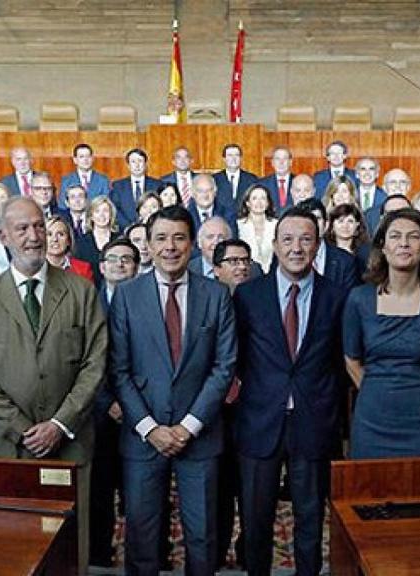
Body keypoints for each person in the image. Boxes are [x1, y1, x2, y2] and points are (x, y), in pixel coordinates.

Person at [0, 196, 108, 572]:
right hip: (12, 445)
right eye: (22, 228)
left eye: (39, 226)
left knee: (72, 544)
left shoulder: (80, 291)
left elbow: (95, 363)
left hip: (70, 442)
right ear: (2, 236)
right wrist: (24, 428)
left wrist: (59, 424)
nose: (34, 236)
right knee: (15, 541)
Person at [108, 204, 236, 576]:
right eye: (161, 238)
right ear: (148, 244)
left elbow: (224, 367)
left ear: (193, 244)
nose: (170, 246)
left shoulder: (216, 295)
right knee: (143, 539)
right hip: (142, 437)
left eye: (179, 237)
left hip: (200, 435)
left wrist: (188, 427)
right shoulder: (128, 296)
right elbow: (119, 370)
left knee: (203, 538)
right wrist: (150, 428)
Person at [234, 208, 346, 576]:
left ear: (317, 245)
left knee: (311, 520)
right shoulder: (248, 296)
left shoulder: (338, 296)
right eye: (288, 239)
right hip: (259, 421)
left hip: (314, 423)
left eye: (305, 239)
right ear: (274, 245)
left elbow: (340, 363)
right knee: (255, 521)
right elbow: (237, 359)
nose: (296, 248)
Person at [344, 208, 420, 458]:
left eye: (413, 237)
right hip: (372, 419)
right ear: (383, 247)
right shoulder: (359, 298)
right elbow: (351, 361)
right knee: (369, 492)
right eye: (396, 236)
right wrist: (377, 390)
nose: (404, 244)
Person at [89, 237, 140, 568]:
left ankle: (149, 555)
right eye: (114, 259)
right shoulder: (87, 304)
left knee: (142, 494)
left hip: (141, 413)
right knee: (100, 491)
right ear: (102, 266)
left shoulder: (150, 303)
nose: (120, 264)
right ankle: (99, 555)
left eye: (128, 259)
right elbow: (83, 359)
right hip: (98, 413)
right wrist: (108, 401)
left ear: (136, 266)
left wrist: (132, 404)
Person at [211, 238, 253, 569]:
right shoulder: (207, 301)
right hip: (213, 412)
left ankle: (248, 550)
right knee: (218, 490)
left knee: (253, 490)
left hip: (252, 411)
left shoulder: (260, 301)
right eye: (233, 261)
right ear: (216, 269)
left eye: (245, 261)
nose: (240, 266)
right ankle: (215, 550)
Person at [293, 198, 360, 291]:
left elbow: (351, 301)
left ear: (326, 224)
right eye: (307, 219)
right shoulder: (285, 257)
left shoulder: (346, 262)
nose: (312, 224)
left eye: (317, 218)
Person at [111, 148, 162, 229]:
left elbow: (161, 209)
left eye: (140, 161)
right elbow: (115, 209)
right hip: (125, 231)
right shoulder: (118, 186)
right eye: (133, 162)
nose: (137, 165)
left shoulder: (157, 184)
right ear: (128, 165)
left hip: (152, 228)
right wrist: (130, 227)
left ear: (145, 164)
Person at [73, 196, 119, 281]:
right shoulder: (81, 242)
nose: (101, 215)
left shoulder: (120, 240)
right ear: (91, 216)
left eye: (105, 211)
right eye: (97, 211)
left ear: (111, 214)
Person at [236, 184, 277, 273]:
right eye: (254, 198)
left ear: (268, 203)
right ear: (247, 203)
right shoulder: (238, 226)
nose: (259, 202)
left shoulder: (277, 225)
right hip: (247, 274)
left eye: (263, 198)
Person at [59, 143, 111, 209]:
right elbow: (62, 205)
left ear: (92, 159)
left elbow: (106, 203)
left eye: (88, 156)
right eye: (81, 157)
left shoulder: (103, 180)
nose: (85, 159)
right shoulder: (66, 180)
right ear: (75, 160)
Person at [45, 216, 94, 284]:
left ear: (68, 240)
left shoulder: (84, 269)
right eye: (49, 234)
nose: (55, 239)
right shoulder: (32, 269)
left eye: (60, 234)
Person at [212, 143, 258, 213]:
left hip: (245, 219)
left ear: (241, 158)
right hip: (222, 221)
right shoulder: (214, 179)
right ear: (224, 159)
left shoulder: (252, 179)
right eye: (230, 155)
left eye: (237, 155)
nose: (233, 158)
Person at [257, 146, 295, 213]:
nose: (281, 162)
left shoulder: (298, 182)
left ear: (290, 162)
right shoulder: (262, 184)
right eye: (277, 159)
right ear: (272, 163)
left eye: (285, 158)